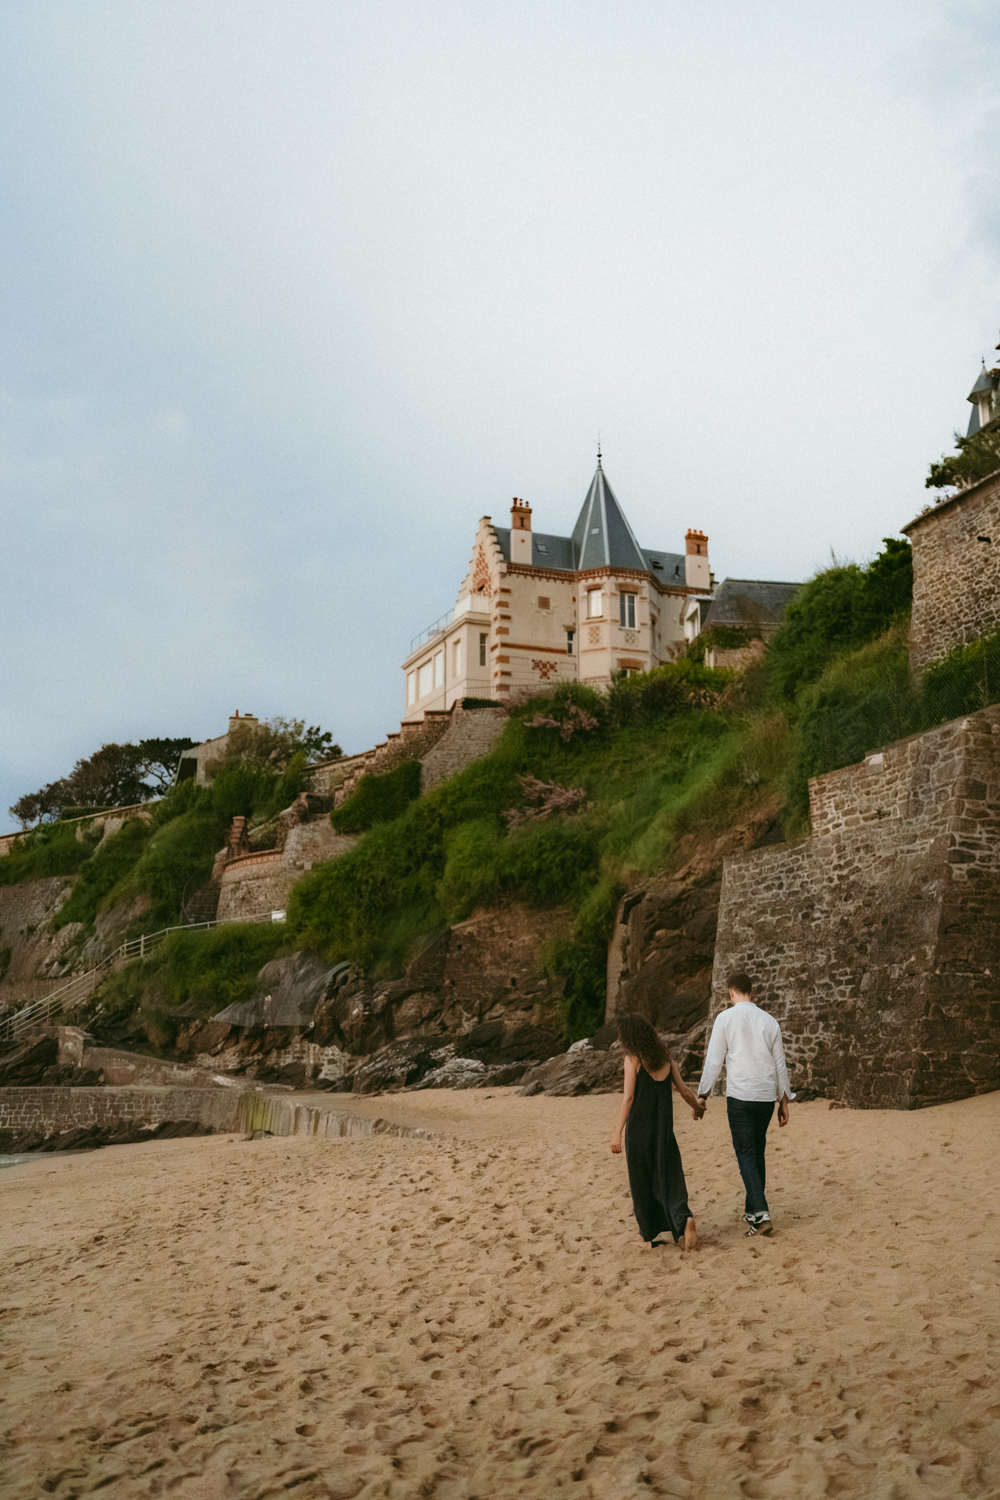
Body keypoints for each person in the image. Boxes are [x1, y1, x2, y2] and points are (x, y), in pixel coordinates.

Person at [696, 971, 794, 1237]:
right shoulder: (769, 1020)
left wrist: (702, 1094)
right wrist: (784, 1101)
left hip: (740, 1096)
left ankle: (761, 1214)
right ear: (752, 992)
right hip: (764, 1097)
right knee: (756, 1150)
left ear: (730, 993)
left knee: (745, 1153)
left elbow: (715, 1059)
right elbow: (780, 1063)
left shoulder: (725, 1019)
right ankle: (753, 1212)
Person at [610, 1013, 705, 1251]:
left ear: (628, 1037)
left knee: (641, 1180)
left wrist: (616, 1132)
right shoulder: (665, 1059)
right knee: (669, 1175)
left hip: (639, 1131)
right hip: (663, 1131)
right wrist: (698, 1108)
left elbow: (629, 1098)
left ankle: (650, 1234)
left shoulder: (632, 1060)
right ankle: (683, 1220)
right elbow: (683, 1090)